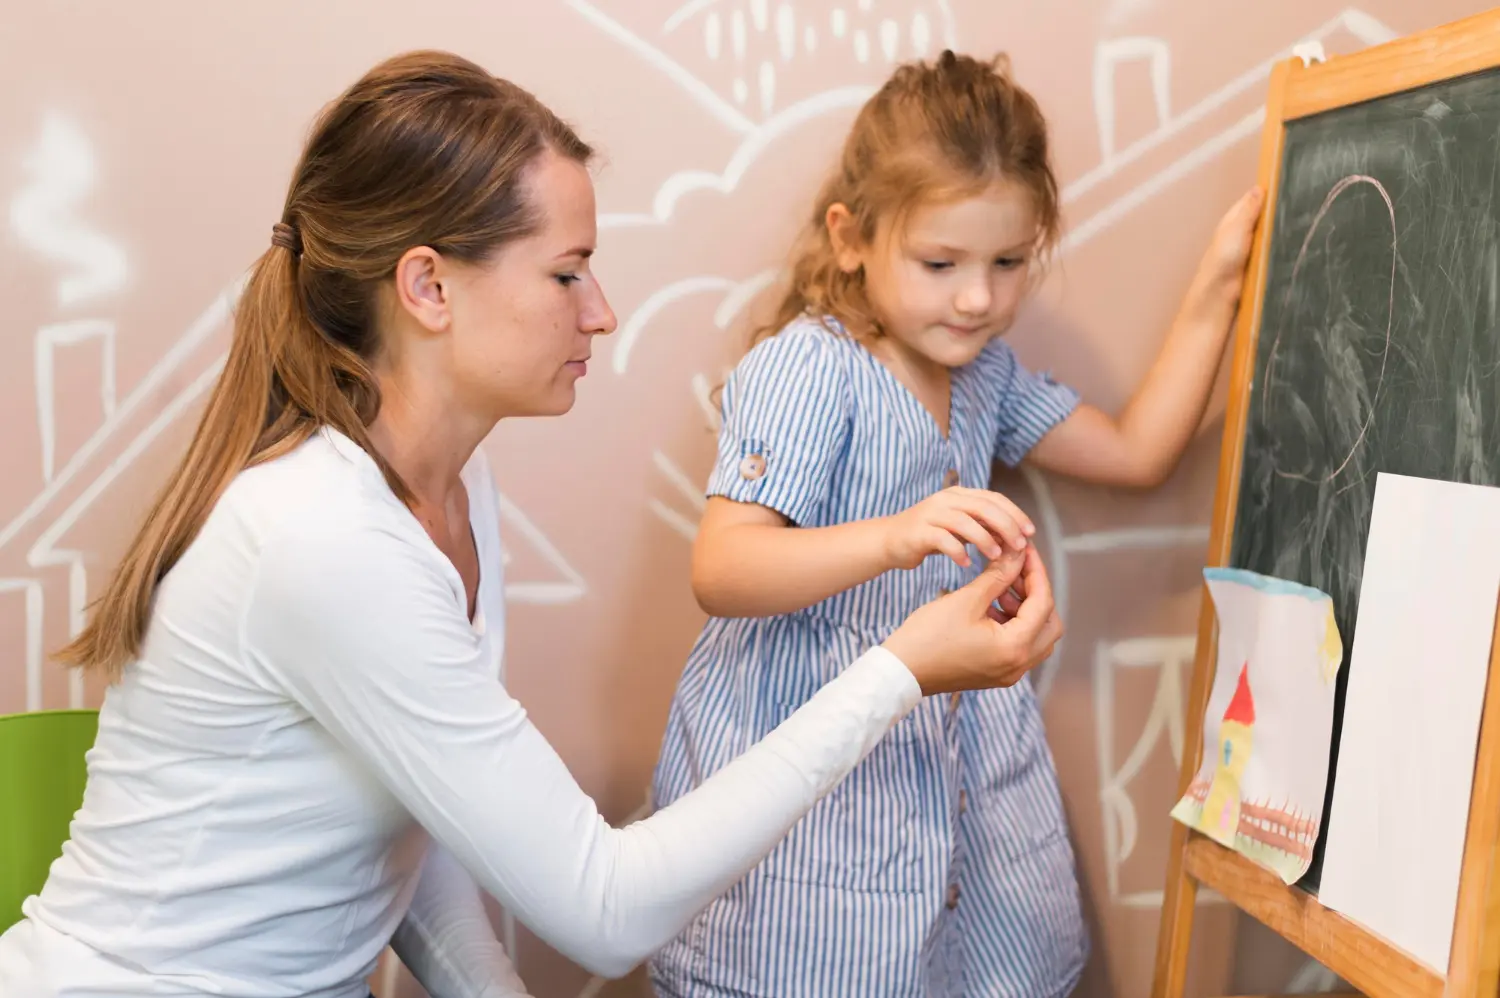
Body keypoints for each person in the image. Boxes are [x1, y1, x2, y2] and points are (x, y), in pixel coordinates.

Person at [0, 50, 1066, 998]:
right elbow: (608, 908)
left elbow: (420, 820)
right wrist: (899, 671)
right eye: (566, 273)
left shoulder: (453, 491)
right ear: (428, 287)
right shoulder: (321, 540)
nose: (601, 310)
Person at [649, 50, 1263, 998]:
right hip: (822, 769)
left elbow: (1139, 453)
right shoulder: (813, 367)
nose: (978, 298)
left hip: (956, 761)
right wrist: (896, 534)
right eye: (940, 264)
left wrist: (1221, 283)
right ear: (852, 238)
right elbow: (724, 567)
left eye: (1008, 263)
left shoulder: (984, 376)